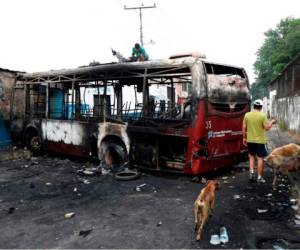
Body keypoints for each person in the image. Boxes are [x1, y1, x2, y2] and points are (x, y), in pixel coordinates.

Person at [242, 99, 276, 183]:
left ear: (253, 106)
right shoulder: (262, 115)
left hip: (250, 140)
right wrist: (272, 122)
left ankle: (251, 173)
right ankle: (259, 177)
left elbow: (243, 127)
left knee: (251, 156)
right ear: (261, 107)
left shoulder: (247, 115)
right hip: (260, 141)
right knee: (260, 158)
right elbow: (267, 128)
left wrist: (244, 138)